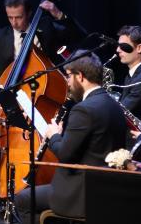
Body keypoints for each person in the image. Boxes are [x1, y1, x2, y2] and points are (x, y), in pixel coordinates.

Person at [14, 51, 128, 220]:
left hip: (80, 192)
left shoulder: (84, 109)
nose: (67, 82)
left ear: (80, 76)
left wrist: (53, 135)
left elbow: (65, 155)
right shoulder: (114, 105)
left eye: (68, 76)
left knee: (22, 199)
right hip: (105, 189)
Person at [0, 0, 85, 96]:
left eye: (18, 17)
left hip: (46, 88)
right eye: (10, 17)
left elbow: (79, 36)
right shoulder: (0, 36)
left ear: (29, 13)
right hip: (13, 91)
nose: (14, 22)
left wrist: (58, 14)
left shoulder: (46, 27)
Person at [114, 25, 141, 124]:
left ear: (139, 48)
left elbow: (122, 111)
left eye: (123, 46)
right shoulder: (132, 75)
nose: (118, 50)